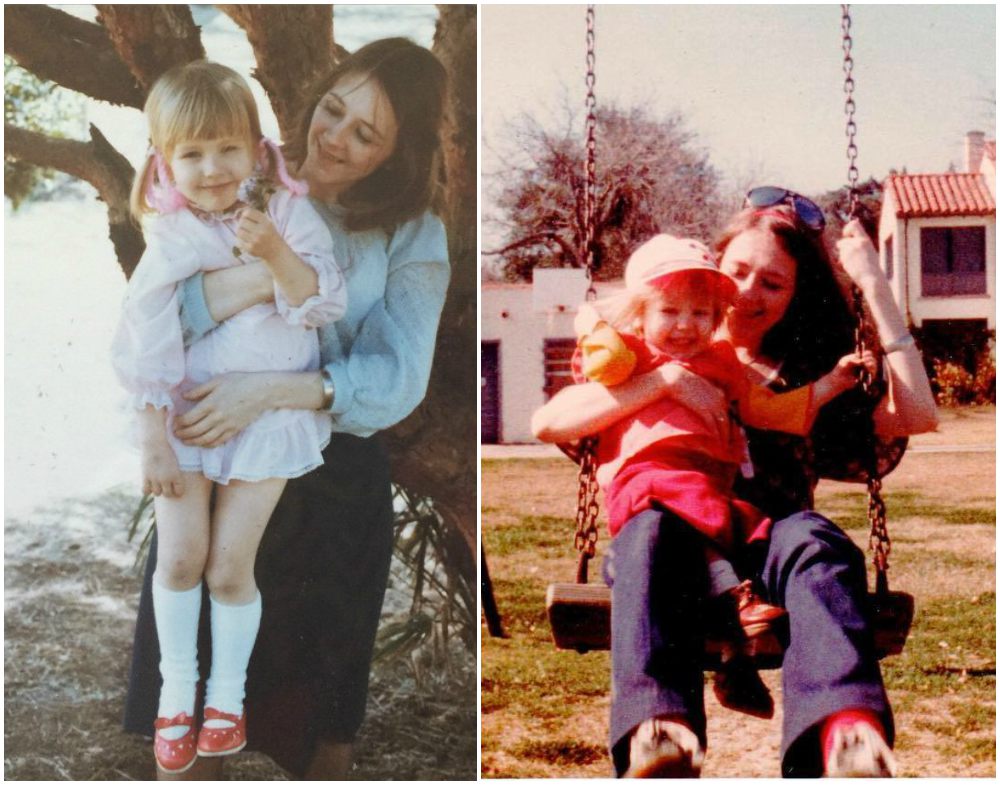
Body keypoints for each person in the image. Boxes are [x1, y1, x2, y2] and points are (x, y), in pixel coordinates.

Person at [122, 38, 451, 780]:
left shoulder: (412, 232)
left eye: (366, 133)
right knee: (190, 631)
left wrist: (268, 390)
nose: (334, 137)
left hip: (326, 463)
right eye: (334, 110)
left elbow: (398, 377)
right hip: (211, 436)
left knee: (316, 719)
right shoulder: (238, 173)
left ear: (400, 152)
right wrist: (258, 282)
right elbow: (155, 317)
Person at [531, 187, 938, 778]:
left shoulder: (799, 371)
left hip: (768, 542)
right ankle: (658, 731)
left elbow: (917, 417)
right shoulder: (647, 350)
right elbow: (552, 422)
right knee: (650, 535)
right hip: (666, 540)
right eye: (738, 271)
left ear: (797, 295)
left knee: (818, 542)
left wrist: (875, 290)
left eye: (772, 283)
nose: (748, 293)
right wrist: (667, 381)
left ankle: (844, 732)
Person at [113, 60, 347, 775]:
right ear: (164, 159)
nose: (212, 168)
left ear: (256, 147)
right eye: (191, 153)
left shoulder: (286, 213)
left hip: (267, 420)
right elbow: (144, 334)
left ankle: (226, 697)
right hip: (182, 419)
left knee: (227, 566)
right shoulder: (172, 234)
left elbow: (320, 302)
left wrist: (274, 251)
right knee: (181, 558)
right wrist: (152, 434)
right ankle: (177, 692)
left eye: (227, 148)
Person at [568, 233, 876, 723]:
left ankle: (736, 659)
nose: (686, 327)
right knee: (680, 515)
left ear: (716, 317)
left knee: (747, 523)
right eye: (669, 312)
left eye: (701, 314)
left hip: (708, 489)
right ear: (641, 312)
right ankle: (736, 606)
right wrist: (594, 323)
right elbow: (595, 369)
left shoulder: (721, 363)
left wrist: (832, 384)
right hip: (648, 484)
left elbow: (769, 410)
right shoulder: (630, 357)